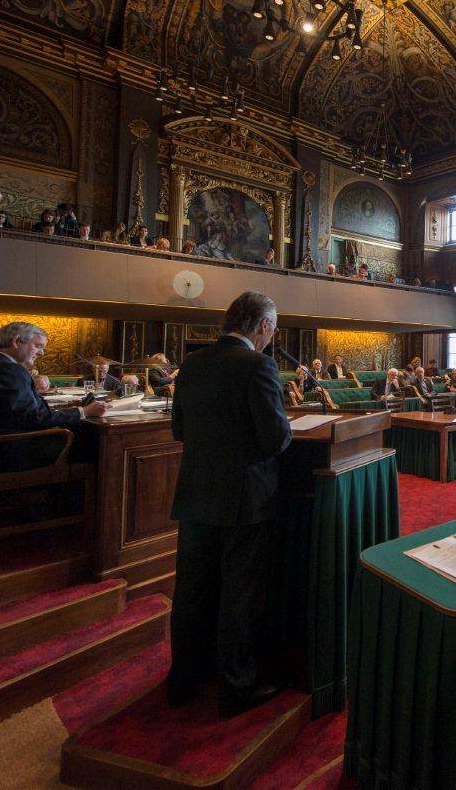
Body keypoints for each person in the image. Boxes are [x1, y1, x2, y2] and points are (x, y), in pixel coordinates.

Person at [166, 291, 292, 719]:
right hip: (244, 496)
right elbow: (276, 439)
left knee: (192, 588)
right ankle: (237, 684)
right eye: (272, 330)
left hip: (196, 491)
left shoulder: (192, 363)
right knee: (241, 591)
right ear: (262, 327)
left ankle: (184, 677)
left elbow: (179, 430)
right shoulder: (259, 364)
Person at [0, 323, 105, 473]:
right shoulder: (9, 370)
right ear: (16, 342)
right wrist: (84, 412)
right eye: (38, 346)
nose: (41, 353)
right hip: (10, 452)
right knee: (99, 442)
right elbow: (34, 418)